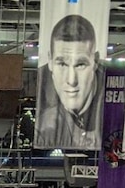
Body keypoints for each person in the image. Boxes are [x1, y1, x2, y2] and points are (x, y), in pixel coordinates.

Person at [35, 13, 103, 149]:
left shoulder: (112, 93)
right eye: (62, 64)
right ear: (50, 61)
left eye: (80, 65)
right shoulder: (44, 114)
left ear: (95, 61)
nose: (72, 80)